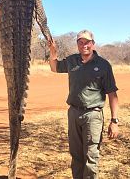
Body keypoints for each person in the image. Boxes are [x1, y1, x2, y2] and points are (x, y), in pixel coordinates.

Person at [48, 29, 119, 179]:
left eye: (87, 42)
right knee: (76, 155)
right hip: (73, 113)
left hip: (93, 115)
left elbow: (112, 94)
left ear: (93, 44)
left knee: (91, 156)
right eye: (80, 42)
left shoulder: (103, 65)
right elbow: (54, 68)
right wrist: (53, 52)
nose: (84, 45)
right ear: (77, 44)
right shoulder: (72, 60)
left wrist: (114, 121)